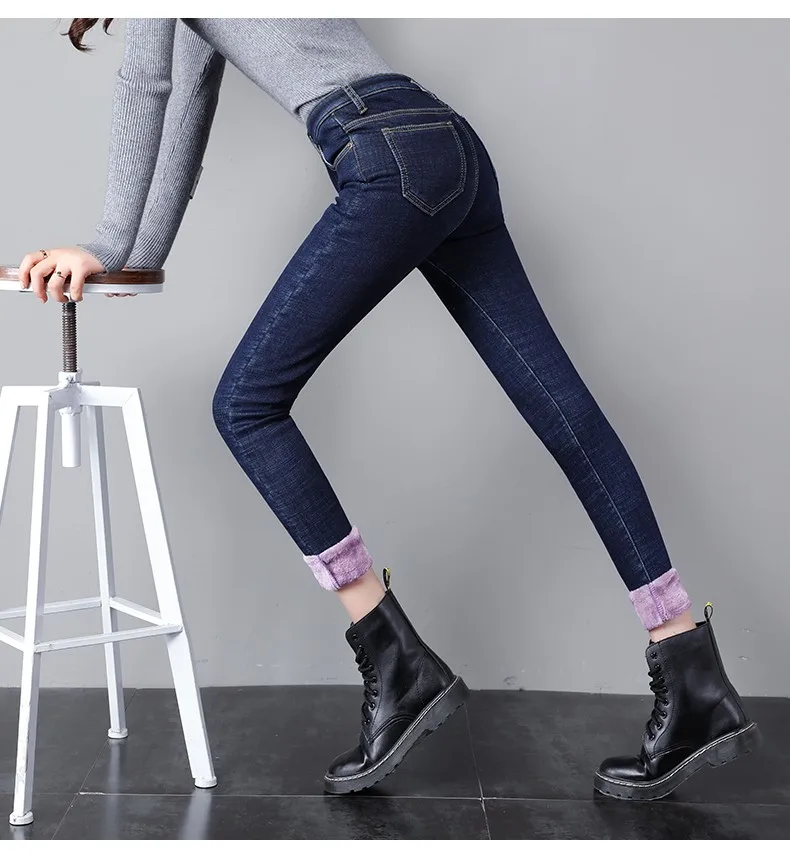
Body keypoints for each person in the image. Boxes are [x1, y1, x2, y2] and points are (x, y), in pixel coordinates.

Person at [17, 18, 761, 799]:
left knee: (246, 405)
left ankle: (399, 664)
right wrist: (137, 254)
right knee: (563, 409)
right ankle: (694, 679)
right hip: (448, 145)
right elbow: (189, 99)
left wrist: (107, 242)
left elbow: (148, 82)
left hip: (383, 155)